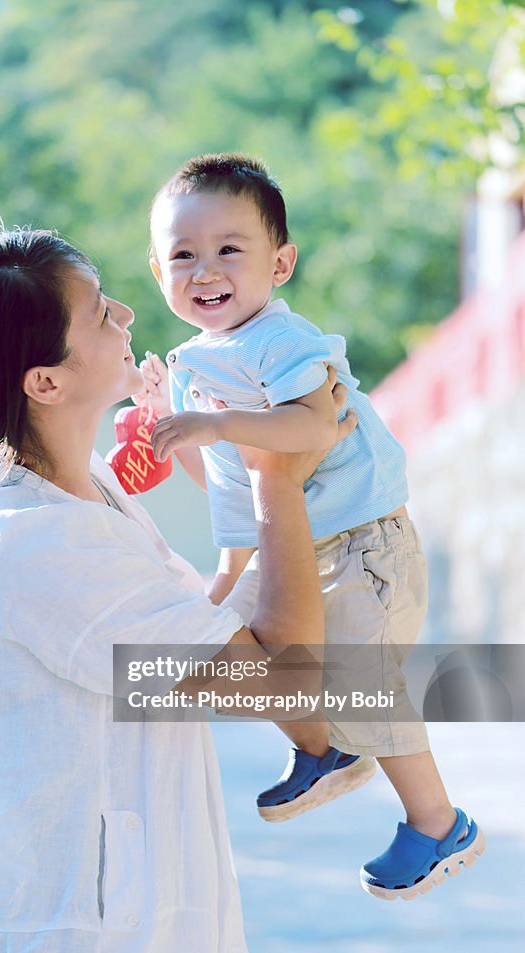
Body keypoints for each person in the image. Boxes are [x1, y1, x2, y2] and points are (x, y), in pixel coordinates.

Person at [0, 228, 356, 953]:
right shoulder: (38, 540)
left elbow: (219, 636)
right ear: (45, 381)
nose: (125, 311)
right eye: (95, 313)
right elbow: (277, 679)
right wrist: (275, 475)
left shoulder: (72, 495)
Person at [137, 153, 485, 901]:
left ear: (280, 262)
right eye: (182, 255)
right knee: (229, 658)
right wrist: (178, 431)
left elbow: (310, 426)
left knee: (365, 685)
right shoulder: (195, 365)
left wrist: (209, 419)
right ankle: (322, 750)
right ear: (157, 270)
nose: (205, 270)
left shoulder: (280, 341)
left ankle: (437, 821)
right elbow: (236, 479)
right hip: (284, 544)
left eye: (230, 249)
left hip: (362, 543)